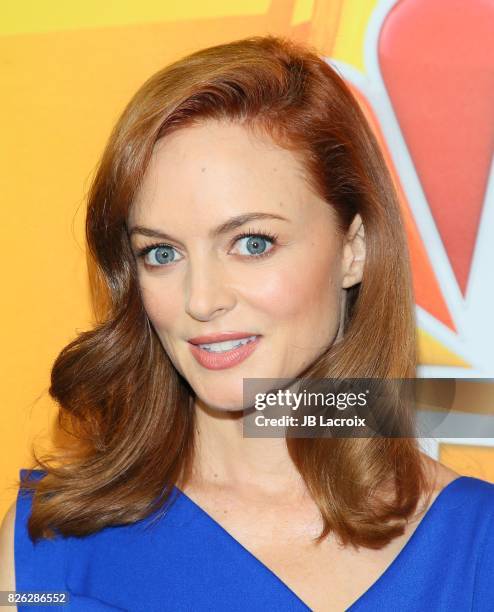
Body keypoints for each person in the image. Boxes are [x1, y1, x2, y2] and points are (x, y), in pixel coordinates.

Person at [1, 35, 493, 612]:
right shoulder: (48, 554)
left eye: (252, 243)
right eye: (161, 253)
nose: (202, 299)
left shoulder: (476, 550)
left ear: (353, 250)